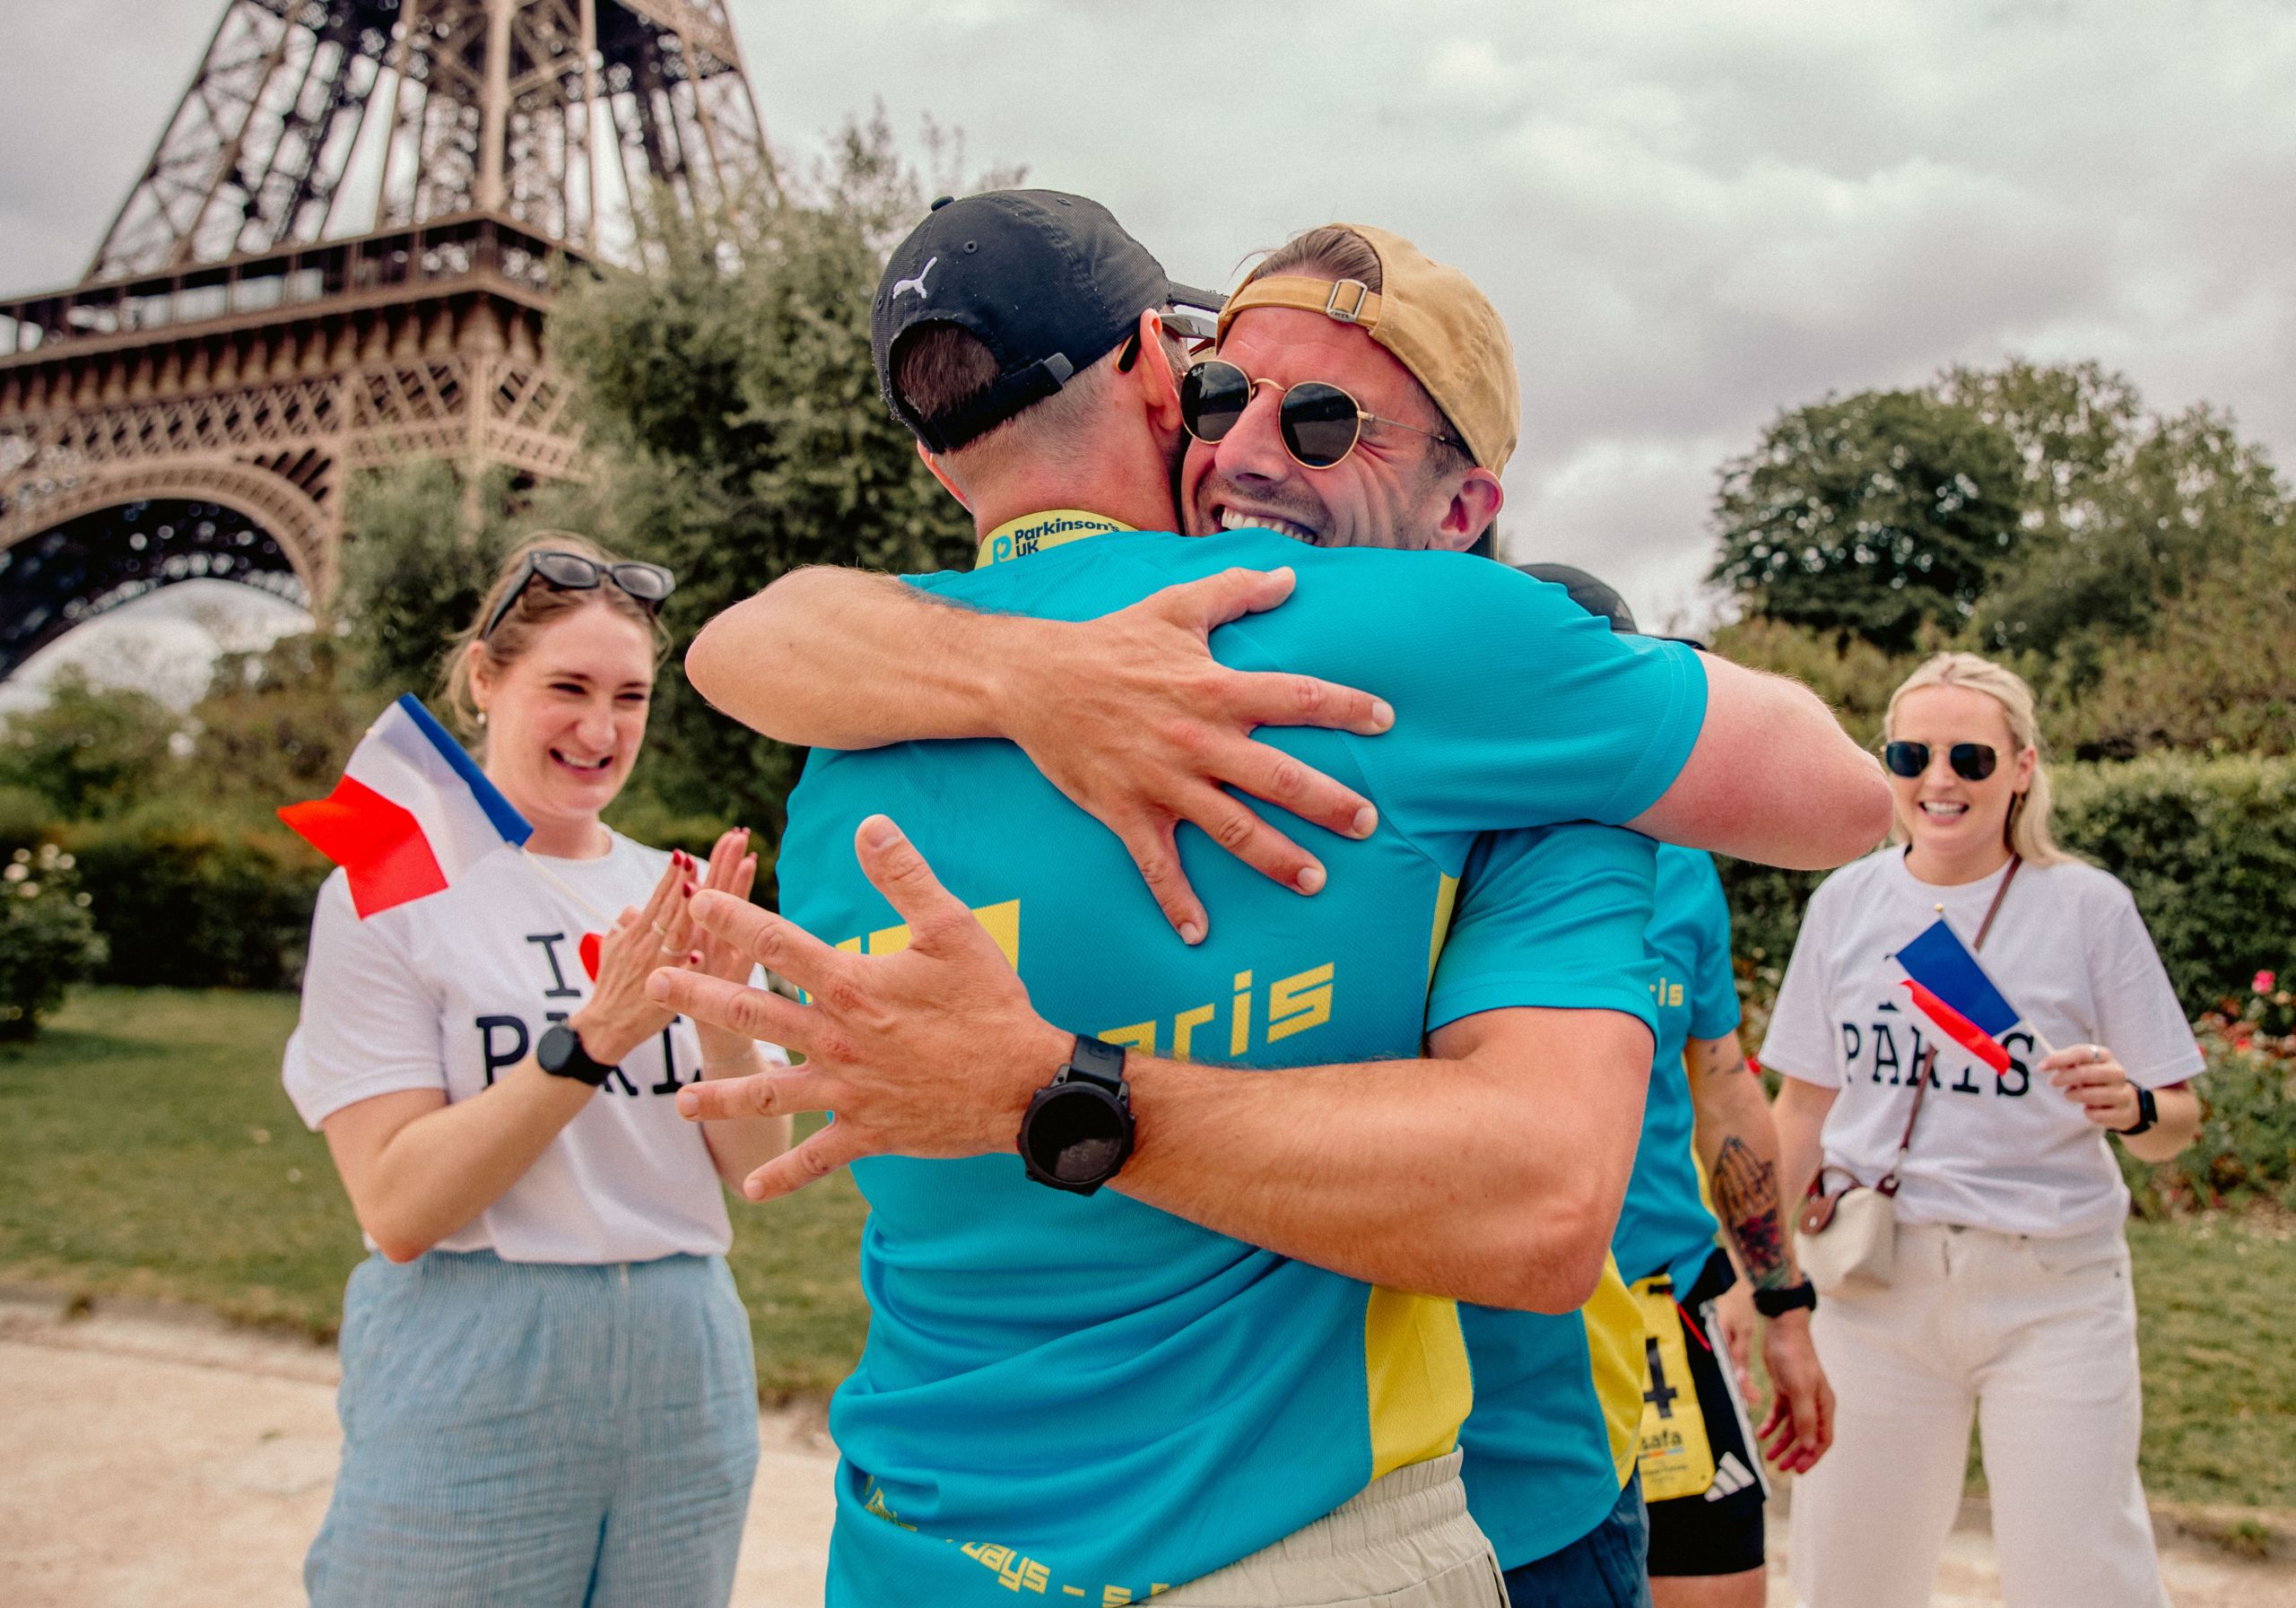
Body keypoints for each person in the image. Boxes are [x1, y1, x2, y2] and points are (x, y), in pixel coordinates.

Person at [661, 196, 1886, 1606]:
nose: (1242, 447)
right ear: (1155, 367)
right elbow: (1846, 796)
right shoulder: (1418, 650)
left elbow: (737, 640)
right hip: (1288, 1535)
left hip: (914, 1538)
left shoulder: (844, 738)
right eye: (1224, 393)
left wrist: (1019, 683)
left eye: (1322, 424)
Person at [282, 535, 794, 1608]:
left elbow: (756, 1169)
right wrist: (590, 1039)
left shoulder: (676, 887)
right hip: (475, 1347)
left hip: (683, 1353)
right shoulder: (387, 887)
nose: (600, 730)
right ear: (483, 677)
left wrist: (727, 1017)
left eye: (631, 696)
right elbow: (401, 1204)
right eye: (566, 686)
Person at [1763, 651, 2203, 1608]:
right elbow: (1801, 1106)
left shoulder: (2088, 907)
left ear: (2021, 767)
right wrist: (1761, 1283)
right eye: (1910, 752)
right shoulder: (1846, 901)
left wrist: (2129, 1103)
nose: (1937, 779)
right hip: (1872, 1287)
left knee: (2080, 1577)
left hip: (2050, 1291)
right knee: (1849, 1577)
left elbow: (2176, 1120)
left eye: (1968, 755)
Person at [1465, 567, 1833, 1608]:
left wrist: (1782, 1299)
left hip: (1664, 1300)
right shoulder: (1438, 846)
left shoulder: (1678, 864)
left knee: (1722, 1588)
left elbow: (1723, 1088)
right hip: (1511, 1317)